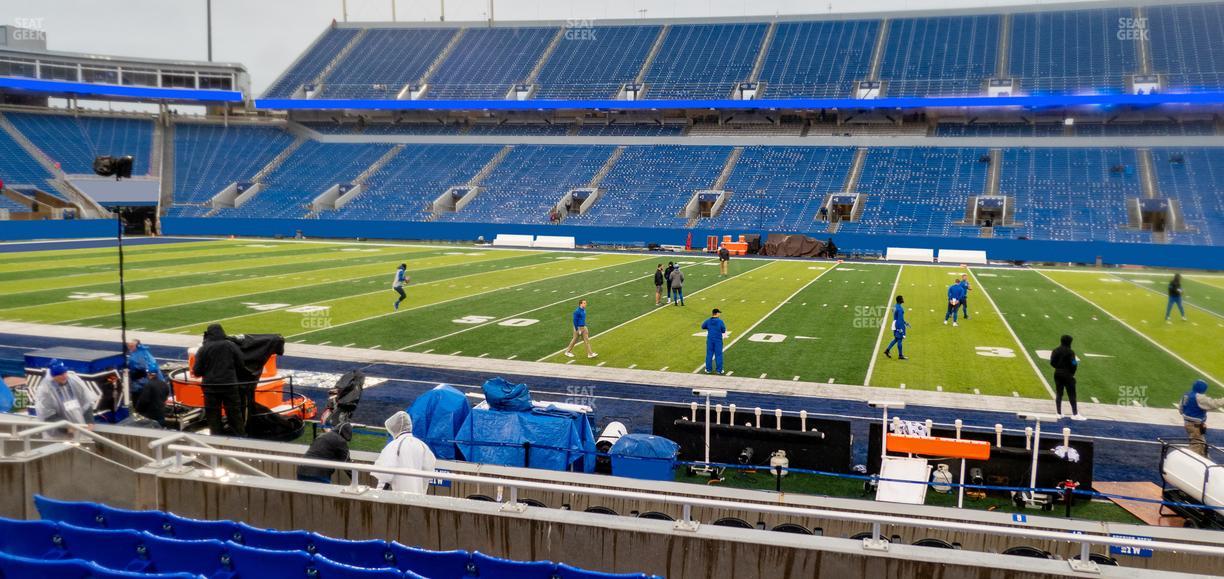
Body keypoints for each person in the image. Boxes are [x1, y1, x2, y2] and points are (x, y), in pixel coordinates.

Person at [192, 323, 247, 437]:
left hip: (210, 388)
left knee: (213, 417)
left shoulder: (203, 349)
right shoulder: (230, 345)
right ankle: (241, 440)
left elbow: (197, 371)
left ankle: (216, 443)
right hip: (229, 386)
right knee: (234, 415)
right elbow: (241, 364)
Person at [374, 411, 437, 494]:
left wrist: (377, 495)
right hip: (419, 497)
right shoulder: (422, 445)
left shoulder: (394, 445)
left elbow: (384, 477)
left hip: (398, 498)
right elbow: (429, 469)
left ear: (394, 428)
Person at [33, 360, 101, 430]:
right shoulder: (45, 390)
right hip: (59, 434)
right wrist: (66, 429)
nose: (64, 376)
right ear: (53, 376)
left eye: (65, 372)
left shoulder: (74, 382)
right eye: (60, 374)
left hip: (81, 429)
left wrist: (89, 421)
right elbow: (47, 415)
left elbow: (86, 402)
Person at [1181, 380, 1224, 457]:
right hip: (1196, 425)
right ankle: (1190, 461)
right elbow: (1214, 404)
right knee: (1196, 445)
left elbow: (1181, 409)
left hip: (1188, 423)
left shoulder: (1186, 395)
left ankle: (1205, 459)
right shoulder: (1200, 397)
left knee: (1201, 444)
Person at [1049, 335, 1084, 420]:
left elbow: (1052, 362)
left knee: (1059, 393)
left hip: (1057, 373)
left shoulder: (1055, 350)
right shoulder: (1070, 352)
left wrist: (1058, 368)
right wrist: (1072, 373)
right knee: (1072, 394)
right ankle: (1075, 414)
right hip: (1068, 374)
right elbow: (1074, 364)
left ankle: (1059, 413)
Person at [701, 309, 728, 374]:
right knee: (718, 355)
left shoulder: (708, 320)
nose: (720, 314)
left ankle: (708, 369)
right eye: (719, 313)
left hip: (710, 339)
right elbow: (723, 330)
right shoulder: (720, 321)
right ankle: (719, 370)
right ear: (716, 313)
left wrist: (709, 328)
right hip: (718, 340)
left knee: (709, 354)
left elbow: (703, 326)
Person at [883, 295, 909, 360]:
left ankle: (887, 350)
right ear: (900, 300)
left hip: (894, 323)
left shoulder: (895, 306)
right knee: (899, 339)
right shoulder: (900, 309)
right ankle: (900, 355)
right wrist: (900, 329)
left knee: (896, 339)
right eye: (902, 298)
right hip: (898, 325)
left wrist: (905, 323)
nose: (903, 299)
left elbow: (897, 318)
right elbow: (900, 319)